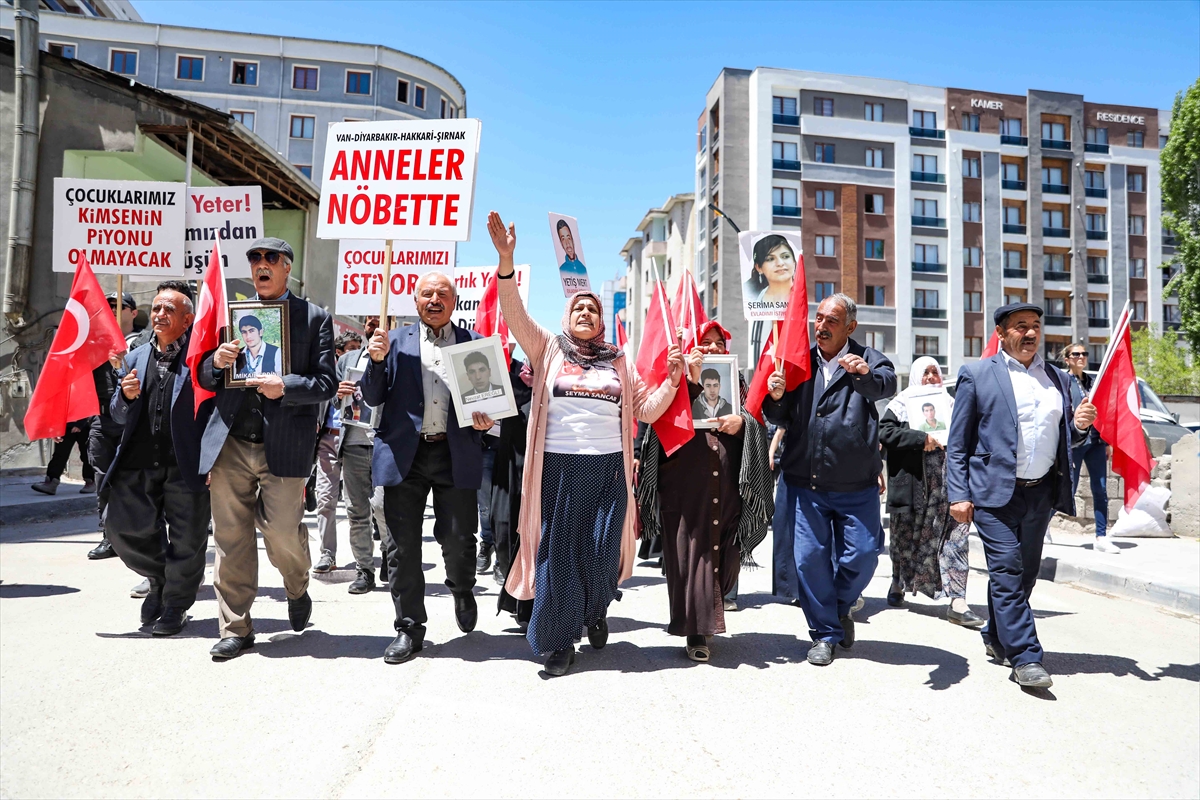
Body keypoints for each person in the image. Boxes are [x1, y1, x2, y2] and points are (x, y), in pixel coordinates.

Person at [487, 210, 683, 677]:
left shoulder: (619, 361)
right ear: (567, 316)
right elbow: (513, 312)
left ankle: (594, 610)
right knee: (558, 555)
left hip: (609, 470)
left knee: (601, 555)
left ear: (600, 322)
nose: (586, 312)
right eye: (579, 308)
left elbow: (646, 410)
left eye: (593, 309)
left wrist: (673, 382)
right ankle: (558, 642)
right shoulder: (548, 348)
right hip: (556, 468)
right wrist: (506, 260)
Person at [198, 237, 336, 661]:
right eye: (255, 258)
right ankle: (236, 628)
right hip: (232, 441)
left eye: (270, 258)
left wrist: (287, 386)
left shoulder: (314, 318)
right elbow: (204, 376)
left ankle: (297, 586)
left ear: (286, 268)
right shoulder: (234, 316)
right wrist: (216, 362)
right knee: (231, 538)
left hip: (286, 445)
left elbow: (326, 382)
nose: (260, 264)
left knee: (280, 532)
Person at [947, 303, 1096, 690]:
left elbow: (1068, 437)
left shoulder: (1059, 380)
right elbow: (958, 443)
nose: (1030, 333)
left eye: (1035, 326)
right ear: (1001, 332)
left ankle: (995, 636)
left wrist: (1079, 428)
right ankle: (1026, 657)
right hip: (993, 494)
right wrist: (958, 494)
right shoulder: (977, 374)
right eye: (1020, 327)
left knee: (1025, 575)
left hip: (1041, 492)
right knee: (1008, 571)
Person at [361, 272, 492, 665]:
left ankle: (462, 586)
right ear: (414, 301)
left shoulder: (474, 345)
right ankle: (408, 628)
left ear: (455, 301)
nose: (435, 299)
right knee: (402, 548)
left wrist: (488, 419)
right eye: (426, 294)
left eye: (443, 294)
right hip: (405, 456)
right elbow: (371, 396)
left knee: (458, 538)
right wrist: (376, 361)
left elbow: (491, 400)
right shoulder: (391, 341)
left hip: (455, 453)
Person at [763, 293, 897, 666]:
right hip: (807, 483)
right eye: (818, 318)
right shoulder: (799, 362)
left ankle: (838, 608)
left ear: (850, 327)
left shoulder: (868, 359)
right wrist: (775, 397)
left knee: (864, 555)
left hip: (857, 484)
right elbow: (780, 414)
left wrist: (864, 374)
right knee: (809, 561)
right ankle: (824, 634)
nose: (821, 326)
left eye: (831, 321)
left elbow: (887, 385)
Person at [638, 320, 773, 662]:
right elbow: (660, 425)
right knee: (691, 554)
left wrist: (744, 423)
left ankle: (708, 613)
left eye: (718, 342)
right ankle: (697, 631)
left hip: (728, 487)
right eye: (706, 342)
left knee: (724, 557)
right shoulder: (677, 382)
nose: (712, 348)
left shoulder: (737, 385)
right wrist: (690, 381)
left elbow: (758, 425)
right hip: (684, 486)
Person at [105, 285, 213, 636]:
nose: (159, 315)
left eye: (169, 309)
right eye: (156, 308)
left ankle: (175, 606)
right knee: (120, 527)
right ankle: (158, 579)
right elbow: (117, 415)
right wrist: (125, 395)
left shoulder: (201, 358)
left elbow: (215, 413)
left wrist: (213, 459)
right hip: (139, 462)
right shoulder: (134, 357)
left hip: (186, 465)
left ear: (187, 320)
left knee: (187, 541)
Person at [880, 357, 983, 627]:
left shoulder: (951, 404)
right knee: (904, 537)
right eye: (924, 372)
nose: (930, 377)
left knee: (955, 538)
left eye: (934, 372)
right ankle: (898, 582)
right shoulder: (901, 403)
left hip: (950, 486)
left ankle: (958, 601)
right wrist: (919, 439)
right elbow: (884, 432)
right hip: (912, 486)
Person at [324, 315, 392, 594]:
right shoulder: (347, 360)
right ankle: (365, 569)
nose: (374, 325)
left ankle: (390, 550)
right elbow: (329, 396)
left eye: (382, 320)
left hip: (384, 445)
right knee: (356, 511)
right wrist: (337, 393)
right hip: (352, 443)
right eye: (370, 322)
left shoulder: (396, 357)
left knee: (381, 506)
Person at [84, 291, 152, 561]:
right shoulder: (96, 343)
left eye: (118, 306)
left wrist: (123, 360)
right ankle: (108, 536)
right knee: (102, 478)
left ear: (132, 313)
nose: (112, 310)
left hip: (131, 421)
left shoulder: (144, 341)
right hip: (102, 419)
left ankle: (140, 534)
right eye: (109, 306)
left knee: (135, 481)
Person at [1062, 342, 1117, 555]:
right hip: (1074, 442)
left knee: (1100, 489)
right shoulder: (1063, 381)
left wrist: (1109, 441)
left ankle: (1101, 536)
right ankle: (1043, 526)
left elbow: (1104, 413)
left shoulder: (1093, 382)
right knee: (1069, 488)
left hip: (1096, 442)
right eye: (1076, 354)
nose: (1081, 357)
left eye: (1084, 354)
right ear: (1067, 359)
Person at [744, 234, 796, 306]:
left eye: (785, 256)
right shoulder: (752, 302)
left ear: (794, 262)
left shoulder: (807, 294)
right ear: (758, 267)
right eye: (770, 259)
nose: (780, 263)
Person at [555, 219, 589, 292]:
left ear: (573, 240)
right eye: (563, 239)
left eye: (569, 238)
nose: (567, 244)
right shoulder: (562, 269)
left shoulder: (583, 269)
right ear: (561, 243)